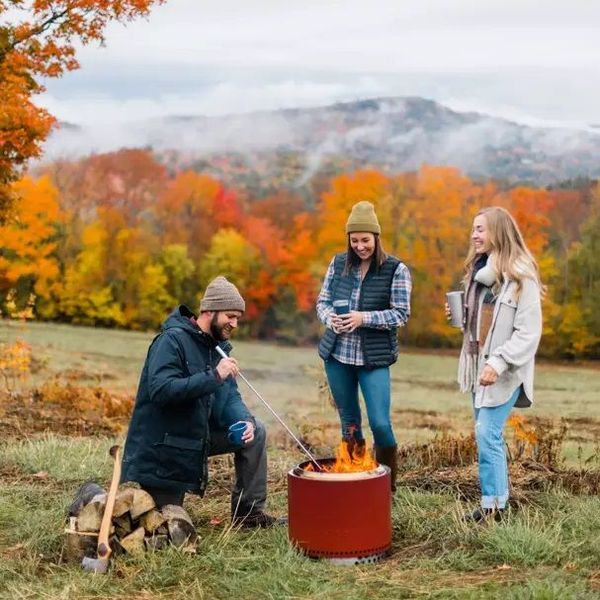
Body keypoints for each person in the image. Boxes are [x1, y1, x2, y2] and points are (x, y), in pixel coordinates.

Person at [121, 276, 279, 528]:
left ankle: (249, 515)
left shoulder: (217, 348)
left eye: (238, 317)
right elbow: (162, 391)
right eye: (230, 316)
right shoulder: (171, 341)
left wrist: (244, 420)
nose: (235, 323)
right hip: (165, 447)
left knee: (256, 430)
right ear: (209, 311)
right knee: (165, 524)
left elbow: (229, 397)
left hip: (197, 438)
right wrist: (214, 375)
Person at [452, 206, 543, 523]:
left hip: (504, 370)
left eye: (480, 229)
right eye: (473, 228)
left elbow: (528, 332)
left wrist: (499, 361)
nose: (474, 235)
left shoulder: (521, 275)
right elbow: (483, 324)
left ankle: (495, 509)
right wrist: (461, 318)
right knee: (485, 434)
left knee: (487, 432)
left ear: (498, 232)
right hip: (477, 366)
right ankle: (491, 501)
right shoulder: (480, 274)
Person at [316, 201, 412, 491]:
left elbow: (401, 314)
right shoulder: (337, 264)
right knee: (350, 423)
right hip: (337, 355)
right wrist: (330, 319)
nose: (360, 246)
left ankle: (387, 488)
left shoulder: (396, 269)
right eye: (354, 240)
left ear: (376, 238)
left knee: (380, 423)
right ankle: (356, 480)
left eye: (365, 240)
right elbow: (322, 301)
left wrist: (362, 318)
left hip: (373, 359)